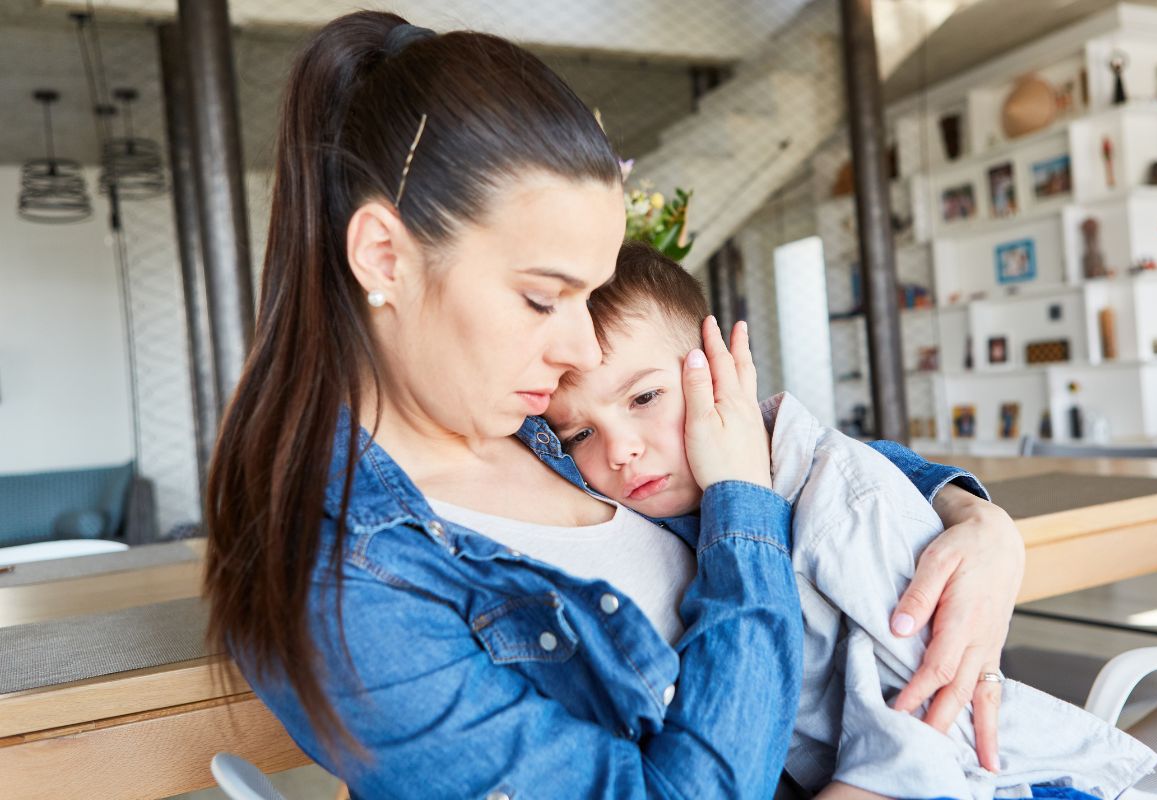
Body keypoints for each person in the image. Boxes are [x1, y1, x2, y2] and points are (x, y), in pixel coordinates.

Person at [204, 12, 1025, 799]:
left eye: (588, 297)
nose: (581, 352)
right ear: (384, 255)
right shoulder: (349, 589)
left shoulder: (529, 422)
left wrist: (975, 521)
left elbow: (789, 450)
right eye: (540, 297)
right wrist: (744, 511)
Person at [543, 243, 1157, 800]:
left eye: (645, 398)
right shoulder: (653, 506)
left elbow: (932, 717)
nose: (619, 449)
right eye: (580, 434)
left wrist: (978, 513)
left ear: (723, 370)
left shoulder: (836, 500)